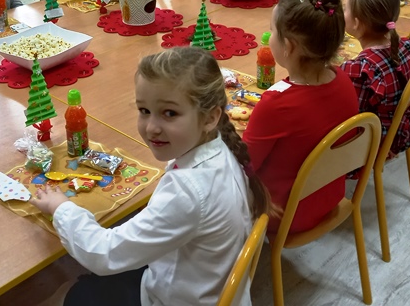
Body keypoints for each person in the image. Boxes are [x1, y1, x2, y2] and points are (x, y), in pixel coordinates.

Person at [31, 47, 271, 306]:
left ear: (210, 117)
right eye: (144, 110)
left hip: (175, 299)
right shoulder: (220, 146)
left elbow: (102, 253)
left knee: (66, 294)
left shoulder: (187, 191)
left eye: (170, 113)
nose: (151, 127)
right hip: (204, 285)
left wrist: (61, 208)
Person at [242, 0, 359, 233]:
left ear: (289, 46)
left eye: (272, 31)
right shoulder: (343, 80)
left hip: (282, 212)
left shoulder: (276, 104)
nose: (270, 37)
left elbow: (242, 166)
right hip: (329, 197)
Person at [341, 0, 410, 156]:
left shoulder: (362, 69)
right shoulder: (407, 46)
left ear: (357, 23)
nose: (342, 12)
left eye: (345, 9)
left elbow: (350, 121)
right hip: (402, 129)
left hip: (375, 144)